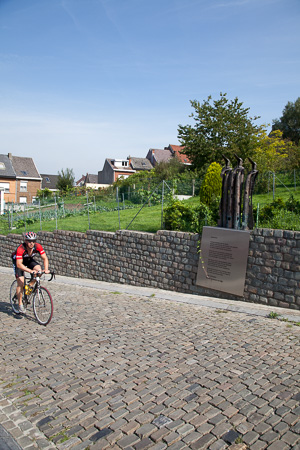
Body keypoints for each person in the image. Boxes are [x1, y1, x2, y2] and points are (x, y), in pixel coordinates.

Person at [12, 232, 50, 313]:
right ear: (25, 241)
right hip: (18, 262)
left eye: (33, 241)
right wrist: (30, 271)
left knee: (39, 271)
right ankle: (20, 304)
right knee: (21, 283)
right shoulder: (21, 248)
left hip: (29, 260)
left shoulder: (38, 246)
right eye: (29, 241)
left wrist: (46, 269)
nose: (31, 243)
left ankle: (29, 286)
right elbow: (19, 264)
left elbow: (45, 258)